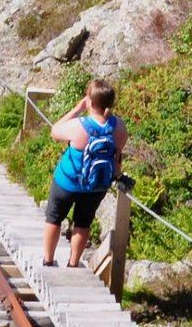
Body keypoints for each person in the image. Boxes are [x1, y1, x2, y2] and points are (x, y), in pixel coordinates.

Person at [42, 79, 128, 269]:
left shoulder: (79, 125)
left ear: (89, 101)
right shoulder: (119, 127)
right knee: (83, 222)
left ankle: (48, 260)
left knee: (54, 218)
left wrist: (77, 109)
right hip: (96, 185)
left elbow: (54, 132)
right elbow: (118, 154)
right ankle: (73, 264)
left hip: (68, 182)